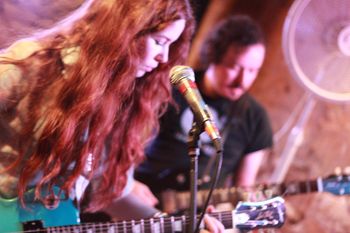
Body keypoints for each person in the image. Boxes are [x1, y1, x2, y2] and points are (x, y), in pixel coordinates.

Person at [0, 0, 225, 231]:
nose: (164, 58)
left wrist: (182, 226)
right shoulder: (34, 65)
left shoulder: (122, 102)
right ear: (126, 31)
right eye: (159, 42)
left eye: (170, 46)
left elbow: (111, 194)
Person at [135, 14, 273, 209]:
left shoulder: (256, 118)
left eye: (252, 71)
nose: (243, 80)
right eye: (235, 67)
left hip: (195, 216)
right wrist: (127, 184)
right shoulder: (175, 85)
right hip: (141, 196)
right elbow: (128, 142)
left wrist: (253, 210)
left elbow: (244, 187)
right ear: (214, 56)